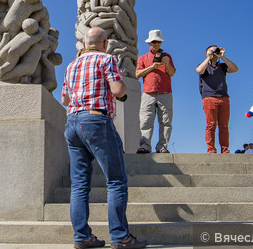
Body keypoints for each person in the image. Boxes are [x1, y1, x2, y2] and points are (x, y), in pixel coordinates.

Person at [61, 27, 147, 249]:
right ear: (105, 43)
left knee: (79, 184)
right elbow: (118, 89)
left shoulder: (72, 65)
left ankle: (82, 236)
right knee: (116, 180)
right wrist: (124, 90)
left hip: (72, 123)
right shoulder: (106, 59)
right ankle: (120, 237)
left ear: (85, 43)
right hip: (96, 121)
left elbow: (64, 98)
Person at [135, 29, 176, 154]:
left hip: (165, 92)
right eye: (154, 42)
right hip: (148, 92)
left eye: (158, 42)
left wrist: (167, 64)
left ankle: (162, 146)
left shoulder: (167, 57)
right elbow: (137, 74)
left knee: (166, 121)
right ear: (149, 43)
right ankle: (145, 146)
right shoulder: (143, 58)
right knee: (146, 120)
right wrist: (152, 67)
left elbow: (172, 73)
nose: (156, 44)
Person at [196, 45, 239, 153]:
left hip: (224, 98)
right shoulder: (205, 65)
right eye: (212, 50)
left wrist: (223, 57)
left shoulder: (222, 66)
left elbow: (235, 69)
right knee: (211, 125)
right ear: (206, 53)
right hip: (209, 98)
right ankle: (211, 149)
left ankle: (225, 149)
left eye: (216, 50)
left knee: (224, 126)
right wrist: (208, 58)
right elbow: (199, 70)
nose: (214, 52)